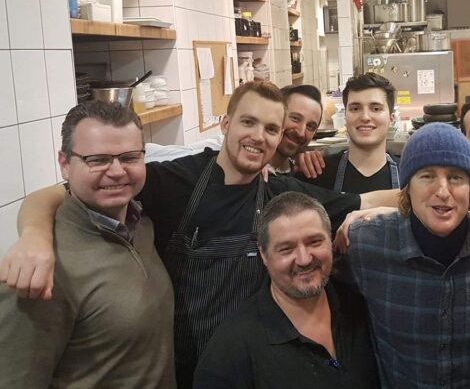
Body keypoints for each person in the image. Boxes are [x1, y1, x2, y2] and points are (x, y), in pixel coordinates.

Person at [1, 81, 395, 388]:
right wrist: (34, 235)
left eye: (271, 129)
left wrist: (401, 203)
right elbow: (60, 193)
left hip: (246, 368)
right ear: (225, 124)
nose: (258, 136)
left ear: (279, 140)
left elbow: (368, 199)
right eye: (248, 122)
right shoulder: (175, 180)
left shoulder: (279, 193)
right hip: (183, 372)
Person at [0, 101, 175, 388]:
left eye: (130, 157)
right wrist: (33, 232)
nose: (117, 171)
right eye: (97, 159)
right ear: (65, 165)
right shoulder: (40, 269)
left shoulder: (141, 224)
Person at [345, 123, 470, 388]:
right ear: (407, 188)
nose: (442, 191)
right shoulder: (366, 244)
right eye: (427, 176)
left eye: (456, 177)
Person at [194, 192, 379, 388]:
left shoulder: (362, 307)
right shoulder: (229, 353)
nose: (304, 259)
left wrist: (382, 218)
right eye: (286, 249)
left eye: (314, 242)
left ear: (330, 239)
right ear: (264, 255)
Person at [143, 83, 323, 174]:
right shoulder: (220, 151)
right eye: (295, 118)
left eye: (311, 126)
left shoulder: (292, 169)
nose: (301, 132)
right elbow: (147, 157)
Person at [297, 72, 400, 193]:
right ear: (345, 117)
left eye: (376, 109)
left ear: (391, 119)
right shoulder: (316, 172)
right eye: (355, 109)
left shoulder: (408, 175)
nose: (365, 117)